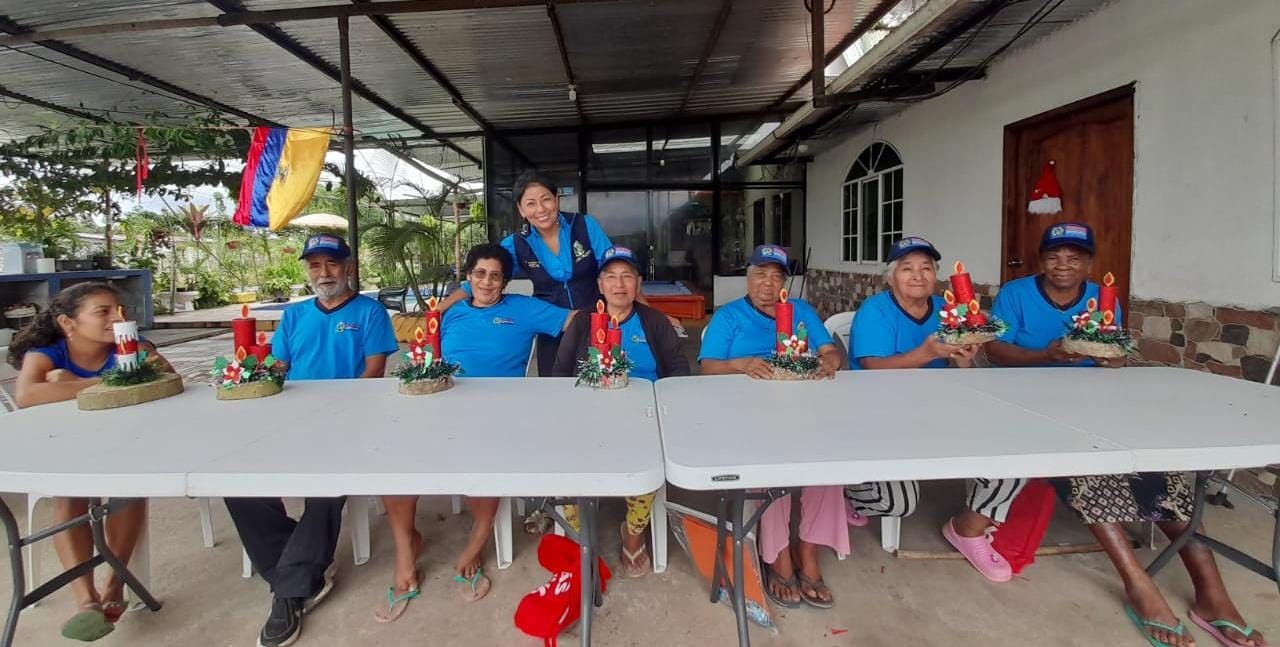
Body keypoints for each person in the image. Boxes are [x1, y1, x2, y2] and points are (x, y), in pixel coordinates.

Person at [987, 223, 1265, 647]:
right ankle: (1139, 585)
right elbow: (994, 350)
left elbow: (1113, 356)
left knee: (1158, 469)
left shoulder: (1104, 298)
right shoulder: (1015, 294)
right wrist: (1045, 354)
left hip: (1097, 404)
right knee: (1088, 470)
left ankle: (1212, 593)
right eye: (1054, 256)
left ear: (1089, 263)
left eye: (1074, 257)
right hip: (1030, 407)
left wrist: (1111, 361)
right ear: (1041, 260)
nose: (1063, 265)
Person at [376, 243, 578, 621]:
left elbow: (575, 320)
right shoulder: (450, 311)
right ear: (468, 278)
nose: (487, 282)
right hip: (440, 402)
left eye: (495, 276)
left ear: (505, 281)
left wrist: (633, 310)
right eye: (480, 274)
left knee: (483, 460)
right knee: (394, 462)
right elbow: (422, 346)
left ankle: (476, 543)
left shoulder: (523, 309)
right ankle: (405, 553)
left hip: (497, 413)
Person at [226, 233, 398, 647]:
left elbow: (374, 372)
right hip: (291, 420)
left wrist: (339, 414)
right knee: (236, 483)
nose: (324, 273)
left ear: (348, 268)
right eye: (315, 265)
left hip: (351, 422)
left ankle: (289, 591)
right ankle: (297, 568)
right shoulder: (295, 315)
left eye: (332, 264)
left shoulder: (370, 312)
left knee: (325, 488)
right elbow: (278, 369)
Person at [842, 236, 1026, 583]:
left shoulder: (949, 309)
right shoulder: (875, 310)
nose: (918, 275)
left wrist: (964, 360)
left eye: (926, 268)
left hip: (943, 412)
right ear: (891, 277)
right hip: (882, 415)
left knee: (1015, 453)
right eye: (907, 268)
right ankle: (848, 493)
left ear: (936, 275)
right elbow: (872, 368)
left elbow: (964, 377)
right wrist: (925, 353)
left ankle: (968, 528)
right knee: (897, 502)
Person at [8, 282, 174, 642]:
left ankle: (115, 583)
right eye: (103, 311)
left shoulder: (133, 347)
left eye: (120, 310)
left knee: (129, 489)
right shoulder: (48, 353)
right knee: (69, 494)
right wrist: (108, 382)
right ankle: (85, 599)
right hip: (66, 449)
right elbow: (27, 395)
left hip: (127, 447)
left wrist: (66, 384)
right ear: (68, 323)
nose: (117, 318)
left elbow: (169, 382)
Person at [699, 244, 844, 609]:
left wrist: (830, 360)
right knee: (769, 460)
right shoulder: (729, 316)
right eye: (760, 275)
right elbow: (708, 367)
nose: (767, 283)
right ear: (747, 279)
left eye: (776, 276)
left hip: (803, 407)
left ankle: (808, 548)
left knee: (830, 462)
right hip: (747, 411)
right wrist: (741, 364)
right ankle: (778, 552)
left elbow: (829, 350)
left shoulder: (800, 311)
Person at [438, 170, 669, 375]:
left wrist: (650, 317)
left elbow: (618, 273)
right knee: (556, 385)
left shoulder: (584, 226)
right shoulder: (516, 244)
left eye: (546, 199)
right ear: (521, 209)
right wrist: (437, 312)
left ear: (556, 199)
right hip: (552, 328)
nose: (540, 209)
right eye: (530, 204)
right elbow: (482, 279)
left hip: (598, 321)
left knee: (606, 376)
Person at [552, 245, 690, 576]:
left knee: (647, 467)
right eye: (611, 276)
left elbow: (678, 374)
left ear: (638, 283)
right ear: (600, 284)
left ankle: (633, 532)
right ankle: (578, 536)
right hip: (586, 418)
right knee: (567, 469)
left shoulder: (654, 322)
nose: (619, 284)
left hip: (644, 419)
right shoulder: (583, 322)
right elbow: (560, 374)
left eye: (627, 276)